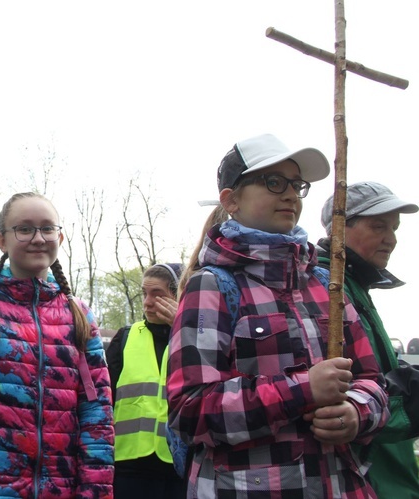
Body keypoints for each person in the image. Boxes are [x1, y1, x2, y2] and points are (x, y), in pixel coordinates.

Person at [166, 134, 389, 498]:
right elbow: (189, 412)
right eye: (273, 182)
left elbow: (373, 381)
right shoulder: (212, 286)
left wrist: (356, 413)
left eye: (297, 185)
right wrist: (302, 389)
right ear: (231, 199)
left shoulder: (326, 285)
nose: (290, 195)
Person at [0, 192, 114, 498]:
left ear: (60, 237)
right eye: (24, 229)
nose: (38, 238)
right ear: (2, 241)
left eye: (47, 228)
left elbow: (97, 415)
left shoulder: (79, 314)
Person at [318, 181, 419, 497]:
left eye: (394, 228)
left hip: (389, 474)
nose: (391, 239)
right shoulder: (328, 289)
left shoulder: (355, 285)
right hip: (367, 478)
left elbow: (381, 371)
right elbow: (352, 395)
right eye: (378, 227)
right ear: (339, 226)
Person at [106, 263, 185, 497]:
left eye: (157, 294)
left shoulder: (194, 336)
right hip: (128, 466)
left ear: (178, 295)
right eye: (144, 293)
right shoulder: (126, 338)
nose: (147, 302)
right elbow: (102, 402)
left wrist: (182, 326)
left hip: (178, 466)